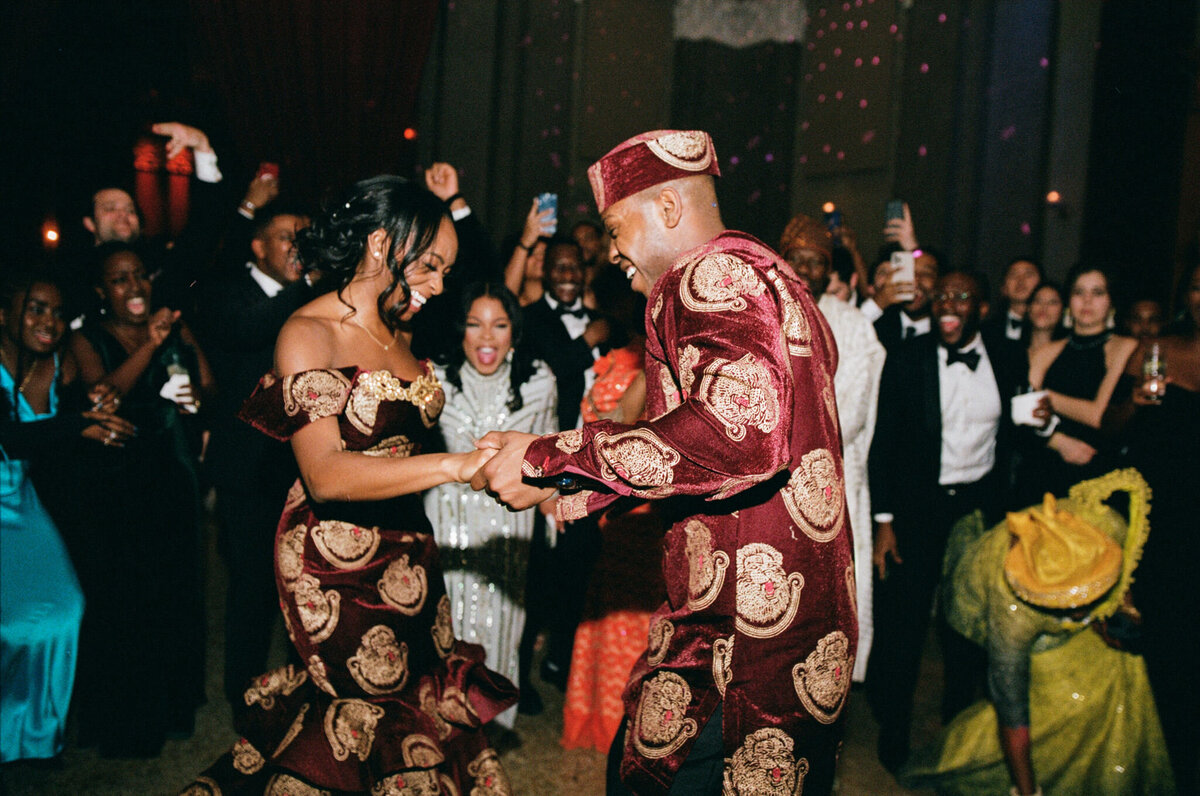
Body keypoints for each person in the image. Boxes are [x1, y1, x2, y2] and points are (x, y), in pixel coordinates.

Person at [473, 129, 856, 796]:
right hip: (791, 621)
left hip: (736, 634)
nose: (611, 251)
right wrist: (564, 480)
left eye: (616, 227)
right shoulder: (776, 279)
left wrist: (549, 452)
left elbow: (741, 434)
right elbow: (708, 448)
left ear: (670, 209)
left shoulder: (702, 276)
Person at [183, 175, 516, 794]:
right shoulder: (307, 334)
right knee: (362, 714)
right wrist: (454, 466)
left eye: (447, 270)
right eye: (431, 265)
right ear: (382, 245)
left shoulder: (402, 333)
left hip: (410, 548)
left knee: (418, 700)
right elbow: (326, 473)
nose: (440, 285)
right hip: (332, 559)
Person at [901, 470, 1175, 795]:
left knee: (1115, 675)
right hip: (978, 606)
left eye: (1087, 601)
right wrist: (1028, 792)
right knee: (1041, 704)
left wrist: (1120, 607)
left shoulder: (1109, 527)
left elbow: (1126, 572)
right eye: (1070, 606)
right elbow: (1012, 714)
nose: (1080, 614)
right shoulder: (1013, 618)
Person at [866, 270, 1031, 773]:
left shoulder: (1006, 356)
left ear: (981, 307)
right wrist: (884, 521)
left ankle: (956, 731)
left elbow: (1016, 438)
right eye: (941, 297)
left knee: (965, 628)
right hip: (918, 510)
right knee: (905, 626)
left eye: (962, 296)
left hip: (976, 511)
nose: (948, 304)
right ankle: (893, 730)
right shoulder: (908, 358)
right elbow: (884, 446)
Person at [54, 242, 211, 756]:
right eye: (120, 279)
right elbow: (104, 397)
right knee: (125, 602)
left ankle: (173, 705)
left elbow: (207, 385)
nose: (135, 286)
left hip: (171, 478)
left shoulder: (174, 324)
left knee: (175, 595)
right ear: (102, 292)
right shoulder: (84, 339)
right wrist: (150, 343)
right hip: (116, 487)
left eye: (140, 275)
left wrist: (193, 399)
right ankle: (126, 723)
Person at [0, 272, 132, 763]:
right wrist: (79, 425)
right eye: (35, 308)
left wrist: (99, 406)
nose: (48, 321)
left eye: (56, 311)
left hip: (22, 500)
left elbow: (88, 402)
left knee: (64, 610)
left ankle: (27, 731)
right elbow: (10, 436)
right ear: (5, 314)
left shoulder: (59, 360)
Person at [425, 282, 557, 731]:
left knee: (502, 629)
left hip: (508, 524)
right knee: (446, 630)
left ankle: (488, 741)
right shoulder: (433, 379)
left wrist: (554, 505)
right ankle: (439, 736)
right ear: (459, 330)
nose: (486, 338)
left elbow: (551, 454)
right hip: (443, 521)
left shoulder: (540, 381)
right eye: (474, 324)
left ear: (514, 333)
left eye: (499, 325)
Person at [199, 201, 314, 706]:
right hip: (245, 468)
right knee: (251, 586)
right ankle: (242, 694)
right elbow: (248, 330)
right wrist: (306, 286)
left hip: (301, 465)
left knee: (304, 582)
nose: (298, 247)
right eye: (288, 236)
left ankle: (303, 688)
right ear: (258, 245)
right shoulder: (228, 293)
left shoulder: (311, 296)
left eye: (304, 238)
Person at [1103, 259, 1200, 794]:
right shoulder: (1157, 350)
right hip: (1166, 519)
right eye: (1198, 286)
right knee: (1169, 643)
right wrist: (1134, 404)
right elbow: (1111, 424)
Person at [560, 263, 665, 754]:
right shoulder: (619, 358)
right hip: (611, 503)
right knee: (609, 610)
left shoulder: (654, 369)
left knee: (637, 617)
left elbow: (626, 430)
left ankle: (628, 727)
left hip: (640, 507)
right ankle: (604, 719)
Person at [779, 213, 885, 683]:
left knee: (827, 599)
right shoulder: (764, 312)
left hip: (835, 476)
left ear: (828, 269)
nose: (805, 271)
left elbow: (854, 411)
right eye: (795, 261)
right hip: (775, 478)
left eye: (815, 263)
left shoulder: (854, 323)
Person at [1020, 264, 1138, 502]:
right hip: (1044, 468)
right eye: (1078, 292)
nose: (1087, 301)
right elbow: (1023, 415)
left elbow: (1097, 415)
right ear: (1068, 301)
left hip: (1096, 474)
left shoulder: (1125, 347)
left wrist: (1045, 396)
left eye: (1097, 293)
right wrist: (1056, 440)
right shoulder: (1048, 351)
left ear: (1111, 302)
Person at [982, 257, 1043, 343]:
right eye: (1013, 274)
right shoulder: (985, 330)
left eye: (1029, 274)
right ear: (1003, 288)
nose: (1020, 280)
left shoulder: (1052, 330)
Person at [1025, 281, 1064, 356]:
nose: (1044, 307)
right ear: (1029, 308)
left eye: (1052, 302)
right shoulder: (1008, 351)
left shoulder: (1069, 355)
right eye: (1038, 301)